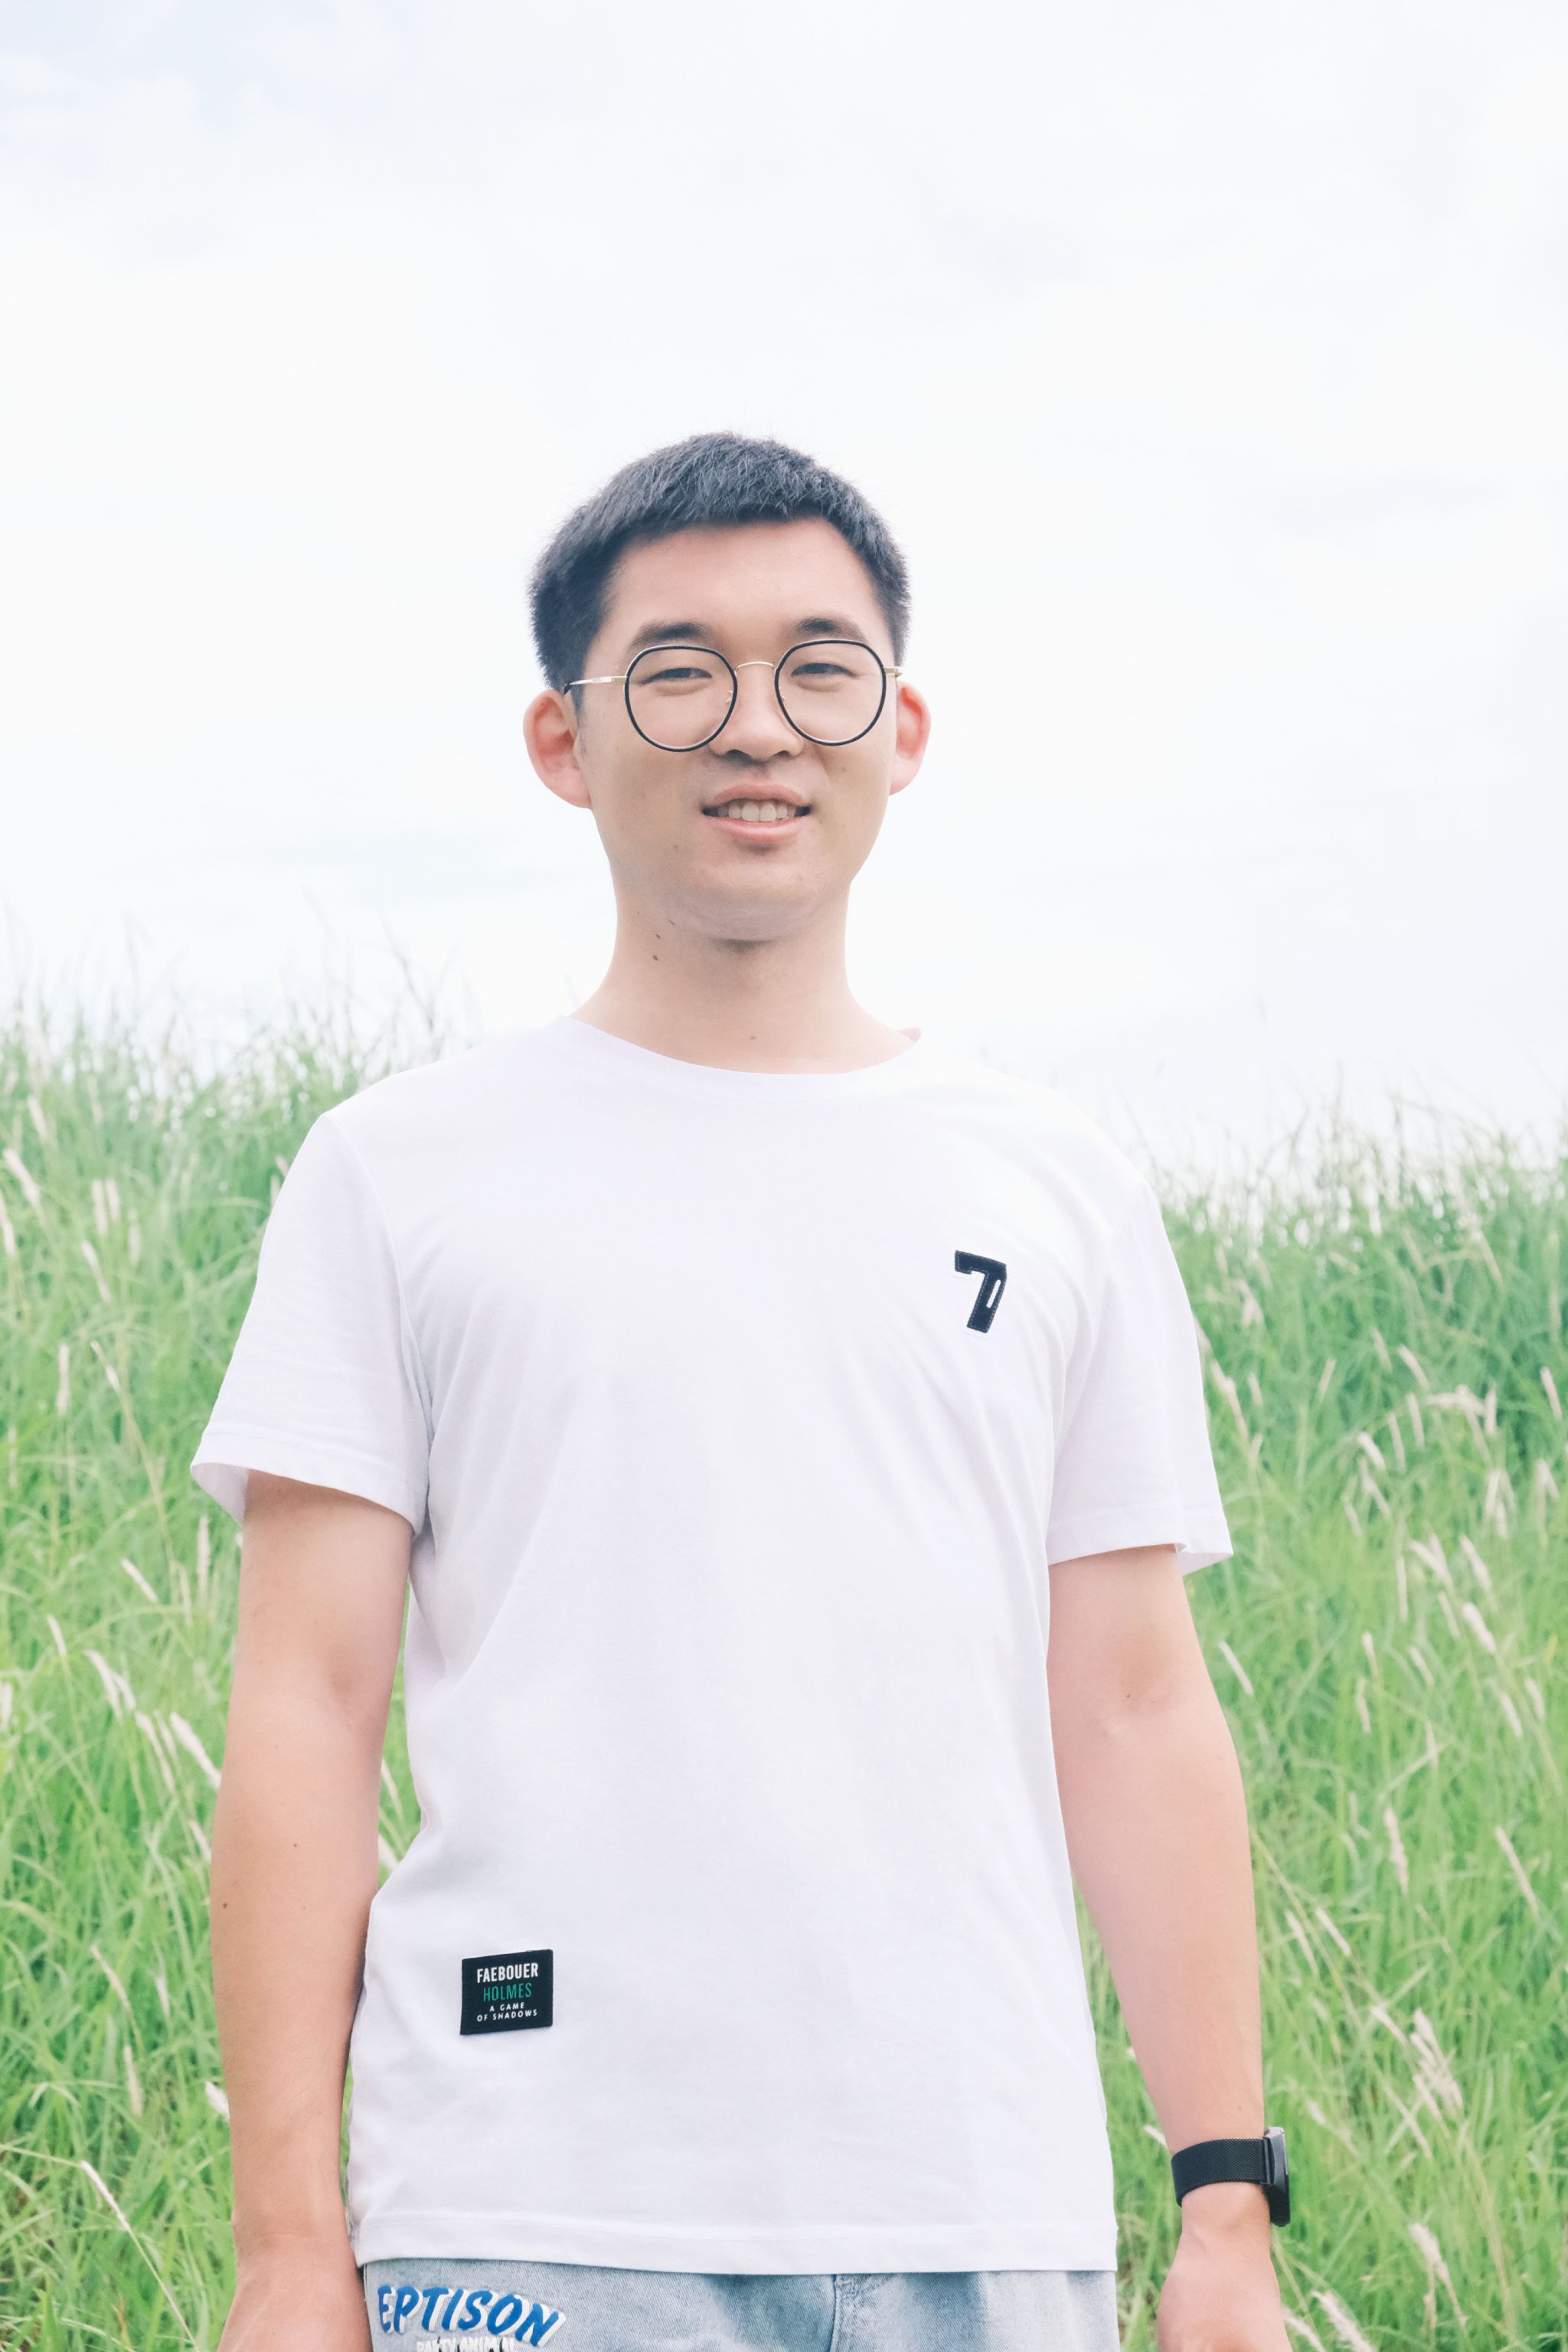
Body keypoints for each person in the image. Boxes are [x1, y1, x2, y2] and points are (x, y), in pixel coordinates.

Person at [194, 431, 1290, 2352]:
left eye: (819, 668)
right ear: (563, 739)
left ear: (902, 729)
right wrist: (288, 2251)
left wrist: (1223, 2210)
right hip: (528, 2205)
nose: (758, 725)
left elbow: (1131, 1703)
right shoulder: (397, 1171)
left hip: (984, 2201)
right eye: (681, 671)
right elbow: (307, 1702)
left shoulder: (1057, 1185)